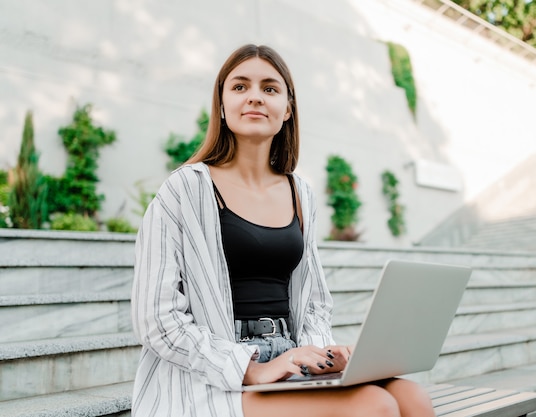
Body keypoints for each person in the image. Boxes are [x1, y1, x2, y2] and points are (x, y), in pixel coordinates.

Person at [131, 43, 436, 417]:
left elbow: (314, 305)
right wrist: (251, 368)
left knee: (412, 397)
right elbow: (156, 319)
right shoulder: (184, 189)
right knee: (373, 406)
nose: (255, 97)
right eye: (240, 87)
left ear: (288, 109)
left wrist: (324, 354)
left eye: (270, 89)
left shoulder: (299, 193)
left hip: (290, 358)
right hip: (212, 377)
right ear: (222, 106)